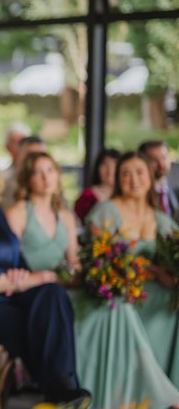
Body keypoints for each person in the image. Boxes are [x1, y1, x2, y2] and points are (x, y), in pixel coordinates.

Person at [0, 148, 91, 406]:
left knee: (52, 294)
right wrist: (32, 278)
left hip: (12, 294)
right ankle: (59, 390)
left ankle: (61, 387)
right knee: (41, 322)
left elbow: (16, 257)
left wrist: (22, 274)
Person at [76, 152, 179, 407]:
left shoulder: (162, 220)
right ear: (118, 179)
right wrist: (154, 273)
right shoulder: (105, 213)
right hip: (115, 292)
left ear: (151, 177)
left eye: (140, 172)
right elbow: (100, 261)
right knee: (122, 305)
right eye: (126, 173)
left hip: (156, 293)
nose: (134, 179)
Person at [6, 152, 81, 273]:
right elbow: (11, 261)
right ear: (28, 179)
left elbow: (74, 261)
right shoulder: (17, 213)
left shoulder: (66, 216)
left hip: (63, 284)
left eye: (50, 170)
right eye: (37, 172)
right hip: (30, 285)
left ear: (57, 174)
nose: (46, 178)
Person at [74, 148, 120, 224]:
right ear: (97, 168)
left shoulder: (127, 196)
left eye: (115, 165)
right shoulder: (86, 197)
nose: (110, 170)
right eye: (105, 165)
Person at [0, 133, 45, 209]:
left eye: (41, 155)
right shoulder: (6, 185)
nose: (36, 160)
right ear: (19, 155)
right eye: (30, 156)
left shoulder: (51, 185)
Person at [139, 139, 178, 219]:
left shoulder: (176, 190)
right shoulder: (139, 194)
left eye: (164, 157)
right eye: (154, 160)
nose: (161, 164)